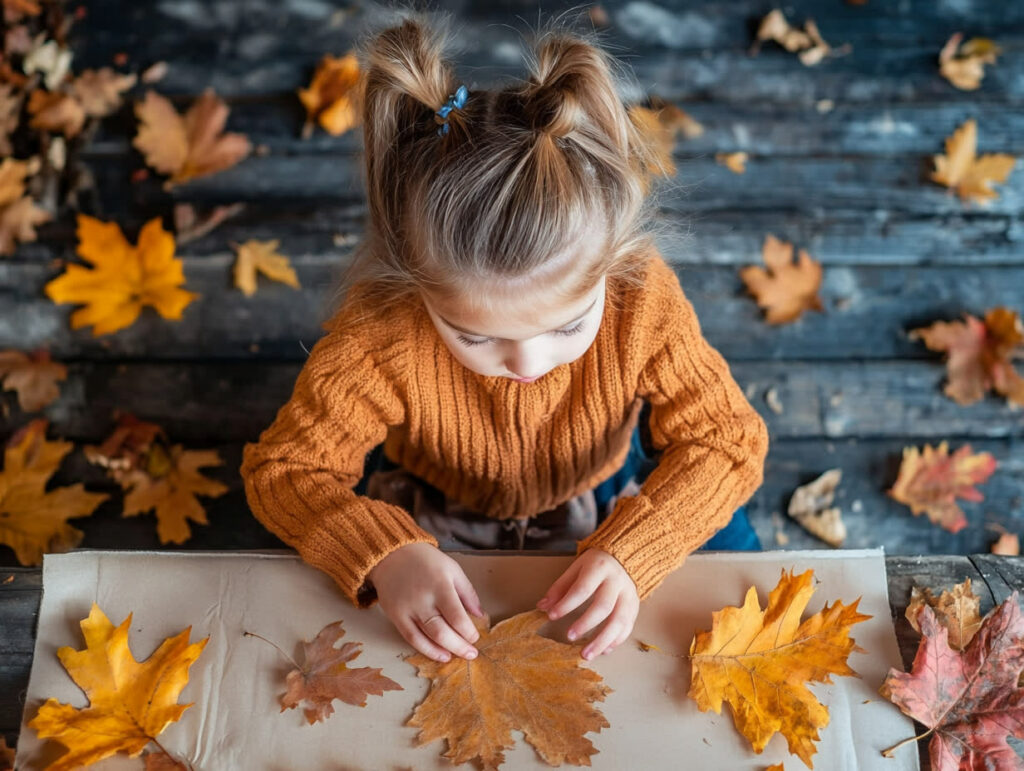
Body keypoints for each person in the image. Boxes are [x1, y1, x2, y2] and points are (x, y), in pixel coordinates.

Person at [239, 11, 769, 668]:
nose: (527, 362)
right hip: (431, 495)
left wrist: (637, 550)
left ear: (613, 266)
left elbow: (728, 440)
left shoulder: (640, 299)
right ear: (413, 283)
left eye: (569, 326)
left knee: (743, 575)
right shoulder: (381, 328)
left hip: (606, 481)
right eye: (475, 336)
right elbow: (286, 470)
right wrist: (386, 552)